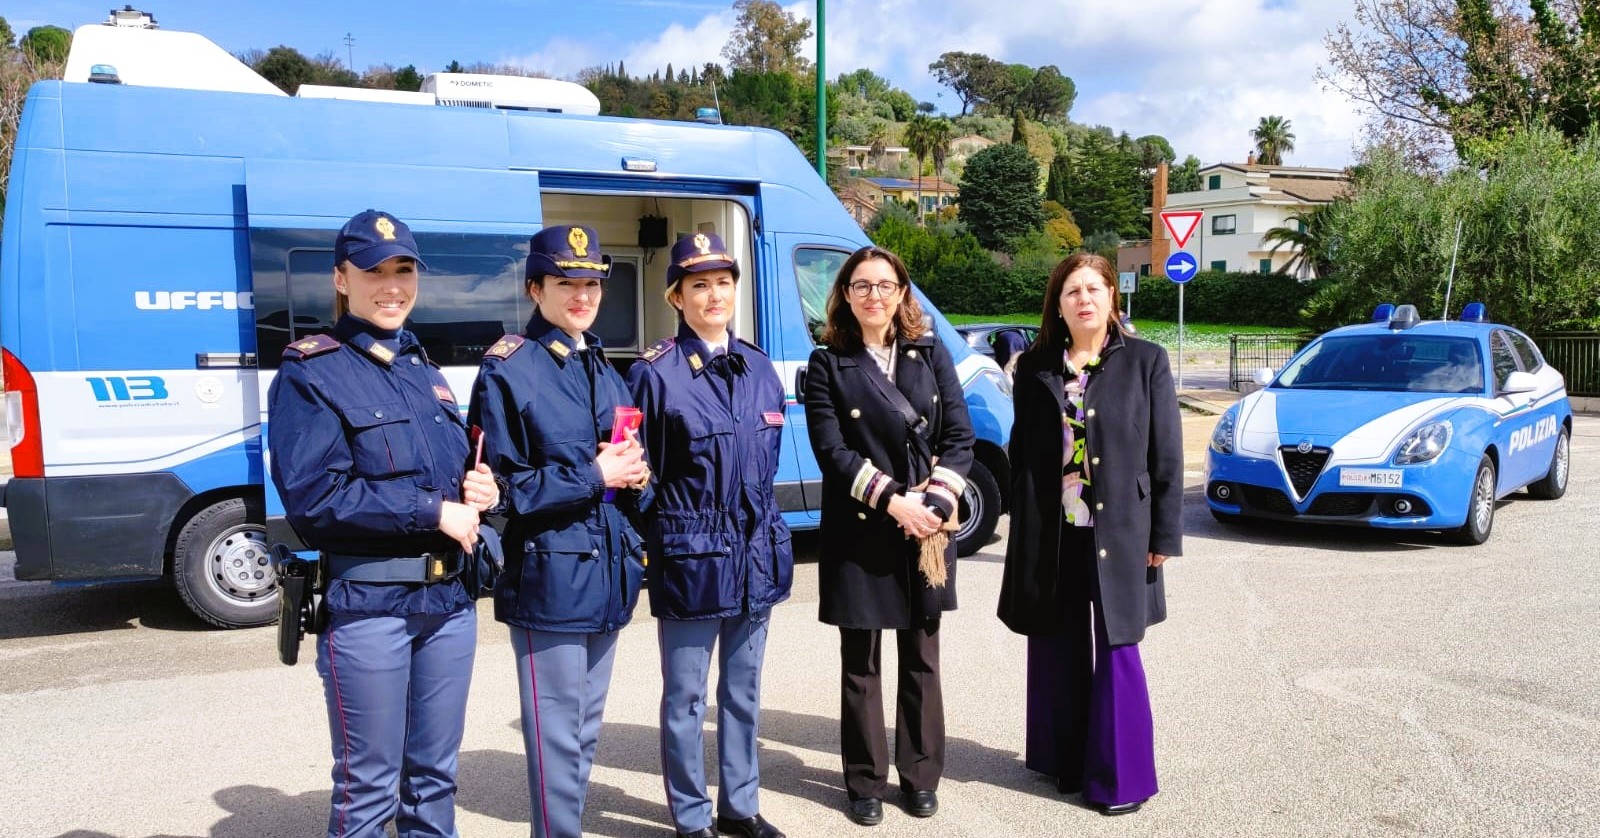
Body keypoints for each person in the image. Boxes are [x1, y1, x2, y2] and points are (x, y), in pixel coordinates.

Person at [268, 209, 500, 838]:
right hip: (371, 608)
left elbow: (450, 477)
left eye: (404, 271)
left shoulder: (424, 371)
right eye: (374, 272)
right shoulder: (311, 371)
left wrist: (479, 490)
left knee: (435, 780)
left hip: (448, 605)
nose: (392, 286)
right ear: (341, 279)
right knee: (369, 786)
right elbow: (315, 497)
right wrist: (433, 510)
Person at [466, 224, 652, 838]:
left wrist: (636, 476)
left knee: (585, 729)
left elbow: (628, 466)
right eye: (566, 283)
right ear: (535, 289)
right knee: (555, 736)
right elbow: (503, 492)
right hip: (550, 576)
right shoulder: (509, 370)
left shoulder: (604, 367)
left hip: (608, 573)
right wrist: (596, 475)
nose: (582, 296)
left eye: (591, 284)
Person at [997, 252, 1183, 816]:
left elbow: (1167, 454)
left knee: (1120, 647)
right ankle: (1065, 761)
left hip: (1122, 531)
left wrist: (1164, 535)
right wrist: (1022, 527)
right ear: (1058, 304)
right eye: (1072, 291)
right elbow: (1022, 452)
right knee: (1057, 644)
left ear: (1111, 298)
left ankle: (1120, 779)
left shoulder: (1146, 361)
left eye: (1093, 289)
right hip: (1056, 531)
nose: (1084, 299)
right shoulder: (1035, 367)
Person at [627, 233, 793, 838]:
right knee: (686, 698)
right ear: (677, 297)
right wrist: (666, 535)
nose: (714, 294)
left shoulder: (759, 368)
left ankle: (740, 807)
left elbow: (766, 466)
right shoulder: (654, 374)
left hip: (755, 555)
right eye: (699, 285)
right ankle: (692, 815)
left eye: (723, 282)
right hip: (692, 556)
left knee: (744, 692)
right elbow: (636, 475)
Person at [802, 245, 975, 827]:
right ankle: (865, 781)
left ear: (902, 293)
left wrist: (935, 502)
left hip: (926, 529)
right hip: (862, 529)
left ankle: (920, 775)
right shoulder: (827, 363)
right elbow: (832, 451)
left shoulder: (931, 352)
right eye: (861, 286)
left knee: (923, 656)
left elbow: (959, 436)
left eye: (884, 285)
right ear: (845, 296)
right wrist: (896, 502)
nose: (873, 295)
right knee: (861, 663)